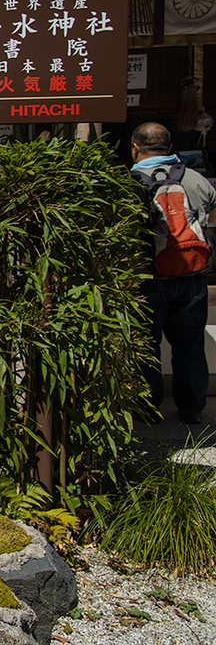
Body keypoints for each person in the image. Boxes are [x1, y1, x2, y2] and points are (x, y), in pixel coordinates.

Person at [131, 121, 216, 424]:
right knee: (190, 346)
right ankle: (191, 409)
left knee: (147, 344)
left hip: (148, 278)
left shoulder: (128, 184)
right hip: (192, 275)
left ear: (135, 148)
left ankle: (149, 408)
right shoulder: (195, 179)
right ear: (169, 147)